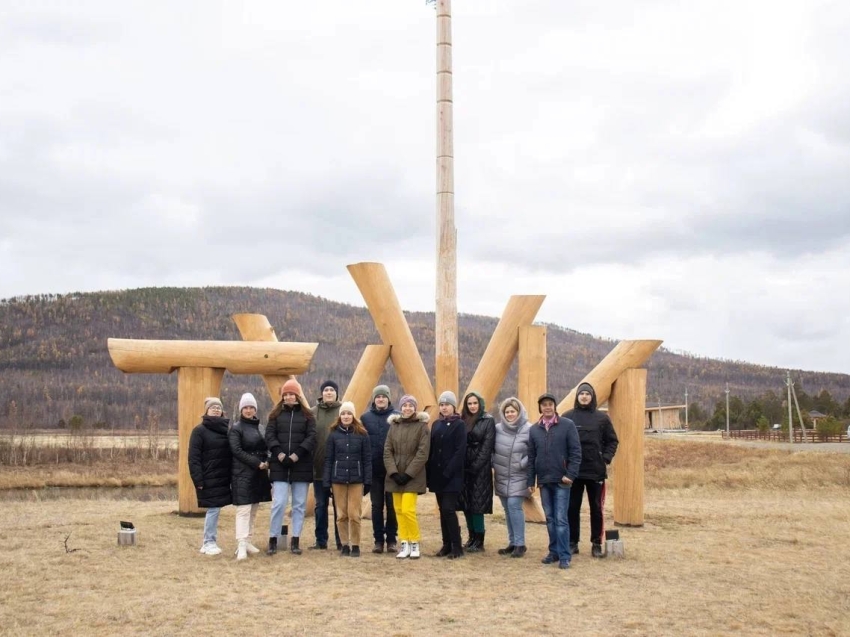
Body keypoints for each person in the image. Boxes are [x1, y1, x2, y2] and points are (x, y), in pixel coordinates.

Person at [562, 382, 619, 558]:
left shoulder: (602, 418)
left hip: (595, 471)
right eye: (581, 394)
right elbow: (560, 442)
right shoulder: (568, 417)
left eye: (587, 394)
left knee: (596, 508)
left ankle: (596, 543)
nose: (584, 396)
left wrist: (605, 458)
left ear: (592, 397)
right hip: (574, 473)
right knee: (572, 508)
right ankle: (573, 542)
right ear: (577, 396)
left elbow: (612, 441)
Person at [527, 392, 582, 570]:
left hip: (562, 481)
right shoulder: (534, 429)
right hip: (544, 481)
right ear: (540, 408)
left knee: (561, 519)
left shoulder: (567, 425)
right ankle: (554, 551)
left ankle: (565, 555)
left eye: (550, 404)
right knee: (550, 519)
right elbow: (531, 456)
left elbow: (576, 452)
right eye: (544, 405)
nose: (547, 407)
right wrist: (531, 481)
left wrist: (571, 474)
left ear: (555, 406)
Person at [265, 378, 317, 556]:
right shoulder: (275, 415)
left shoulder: (308, 416)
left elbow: (311, 437)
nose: (289, 397)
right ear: (282, 397)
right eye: (286, 394)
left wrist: (297, 455)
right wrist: (279, 453)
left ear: (297, 396)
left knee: (299, 505)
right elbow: (269, 436)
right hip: (279, 466)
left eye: (292, 394)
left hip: (301, 465)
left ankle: (296, 539)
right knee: (279, 503)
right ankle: (273, 538)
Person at [384, 394, 430, 560]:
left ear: (415, 408)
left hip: (413, 477)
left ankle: (415, 542)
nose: (407, 408)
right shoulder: (394, 426)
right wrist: (393, 472)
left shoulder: (422, 427)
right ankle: (404, 543)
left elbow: (422, 453)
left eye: (411, 405)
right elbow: (387, 450)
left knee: (408, 510)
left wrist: (409, 473)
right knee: (398, 511)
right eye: (405, 405)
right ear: (401, 407)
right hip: (395, 476)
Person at [323, 401, 372, 557]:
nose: (346, 416)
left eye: (349, 413)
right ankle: (344, 544)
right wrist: (326, 481)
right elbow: (329, 459)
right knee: (341, 515)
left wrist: (368, 480)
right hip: (338, 480)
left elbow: (367, 459)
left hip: (356, 480)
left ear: (353, 416)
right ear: (340, 416)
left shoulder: (362, 434)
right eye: (343, 413)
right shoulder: (333, 434)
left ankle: (356, 545)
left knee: (354, 514)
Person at [228, 392, 271, 561]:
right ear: (241, 409)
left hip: (259, 474)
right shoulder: (236, 428)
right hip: (242, 474)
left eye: (251, 407)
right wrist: (256, 463)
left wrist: (267, 460)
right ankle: (240, 544)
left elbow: (267, 445)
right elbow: (236, 451)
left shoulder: (261, 427)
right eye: (245, 407)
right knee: (244, 510)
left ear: (255, 409)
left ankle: (248, 541)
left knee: (254, 509)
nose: (248, 410)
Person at [188, 397, 232, 556]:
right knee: (213, 509)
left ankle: (210, 541)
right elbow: (193, 458)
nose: (215, 409)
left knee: (216, 509)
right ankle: (208, 542)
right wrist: (198, 479)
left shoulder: (226, 430)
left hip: (222, 477)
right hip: (208, 477)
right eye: (212, 407)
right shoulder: (199, 431)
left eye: (218, 407)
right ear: (206, 410)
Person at [427, 390, 467, 559]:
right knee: (442, 511)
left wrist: (448, 471)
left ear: (453, 407)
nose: (444, 408)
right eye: (442, 405)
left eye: (447, 405)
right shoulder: (436, 424)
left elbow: (460, 451)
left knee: (449, 509)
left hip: (452, 476)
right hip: (437, 475)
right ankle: (446, 544)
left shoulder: (460, 425)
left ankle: (457, 546)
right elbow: (432, 448)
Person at [361, 384, 399, 554]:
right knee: (376, 506)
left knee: (392, 507)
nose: (381, 399)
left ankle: (391, 540)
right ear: (374, 399)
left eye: (384, 396)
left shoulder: (397, 417)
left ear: (388, 398)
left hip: (393, 471)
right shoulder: (365, 418)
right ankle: (378, 540)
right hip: (374, 470)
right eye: (378, 396)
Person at [492, 397, 532, 558]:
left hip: (519, 475)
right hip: (501, 474)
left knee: (515, 506)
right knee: (507, 510)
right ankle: (512, 542)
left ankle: (520, 544)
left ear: (519, 412)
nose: (510, 414)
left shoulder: (529, 429)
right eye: (507, 411)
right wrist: (494, 463)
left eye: (513, 411)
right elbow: (490, 448)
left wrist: (522, 463)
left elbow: (533, 451)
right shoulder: (497, 429)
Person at [459, 391, 495, 552]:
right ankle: (471, 537)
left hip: (480, 470)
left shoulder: (488, 421)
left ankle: (479, 540)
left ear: (480, 404)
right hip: (463, 467)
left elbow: (487, 448)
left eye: (475, 403)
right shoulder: (462, 420)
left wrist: (475, 466)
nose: (472, 406)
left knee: (477, 505)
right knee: (466, 504)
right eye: (469, 403)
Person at [311, 380, 342, 550]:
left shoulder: (344, 411)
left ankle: (341, 540)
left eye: (332, 389)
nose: (329, 392)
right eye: (326, 390)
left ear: (337, 393)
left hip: (339, 469)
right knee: (320, 505)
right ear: (321, 393)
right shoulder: (312, 412)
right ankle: (320, 540)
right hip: (319, 467)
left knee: (339, 506)